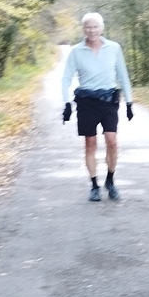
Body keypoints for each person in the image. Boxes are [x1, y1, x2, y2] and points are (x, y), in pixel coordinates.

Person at [61, 12, 134, 202]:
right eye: (88, 27)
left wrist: (129, 102)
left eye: (95, 27)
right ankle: (94, 185)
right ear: (83, 29)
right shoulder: (76, 51)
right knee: (90, 143)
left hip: (108, 101)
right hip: (87, 103)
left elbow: (123, 75)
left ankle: (110, 180)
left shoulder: (114, 48)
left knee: (112, 141)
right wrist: (66, 103)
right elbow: (66, 78)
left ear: (102, 28)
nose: (92, 30)